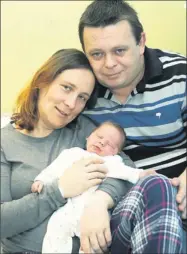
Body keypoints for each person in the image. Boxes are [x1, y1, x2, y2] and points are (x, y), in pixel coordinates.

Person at [1, 48, 136, 253]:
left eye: (82, 97)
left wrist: (100, 201)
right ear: (42, 81)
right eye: (66, 88)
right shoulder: (5, 142)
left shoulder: (83, 130)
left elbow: (124, 167)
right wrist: (59, 190)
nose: (71, 104)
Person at [78, 0, 187, 253]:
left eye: (119, 50)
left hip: (181, 200)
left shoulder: (180, 74)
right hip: (122, 211)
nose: (109, 64)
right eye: (97, 54)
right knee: (154, 186)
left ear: (141, 42)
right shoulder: (83, 92)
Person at [31, 121, 154, 253]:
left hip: (93, 214)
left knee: (94, 242)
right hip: (67, 208)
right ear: (88, 137)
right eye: (99, 137)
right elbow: (55, 168)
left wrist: (141, 174)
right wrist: (41, 180)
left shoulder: (111, 161)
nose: (102, 142)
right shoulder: (72, 153)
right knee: (55, 230)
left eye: (109, 144)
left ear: (115, 152)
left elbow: (125, 172)